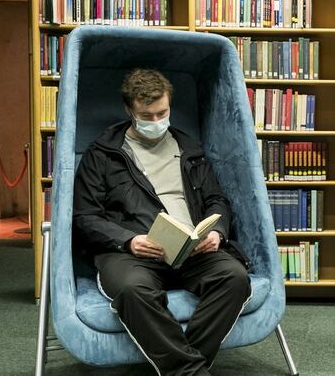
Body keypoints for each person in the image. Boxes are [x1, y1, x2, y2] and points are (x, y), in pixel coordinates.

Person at [73, 68, 252, 376]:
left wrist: (217, 232)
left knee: (234, 278)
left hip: (192, 250)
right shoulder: (103, 154)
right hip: (133, 253)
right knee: (132, 291)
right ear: (129, 110)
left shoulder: (189, 149)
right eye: (147, 115)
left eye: (162, 113)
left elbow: (217, 200)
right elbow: (85, 217)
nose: (156, 122)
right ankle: (191, 371)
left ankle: (183, 367)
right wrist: (129, 241)